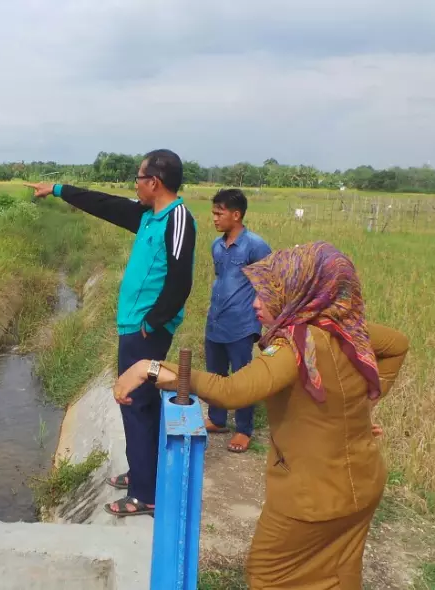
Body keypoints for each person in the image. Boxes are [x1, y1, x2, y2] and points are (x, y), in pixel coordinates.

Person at [112, 241, 409, 586]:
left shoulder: (297, 345)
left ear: (300, 293)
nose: (254, 303)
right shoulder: (343, 329)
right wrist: (361, 404)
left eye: (267, 294)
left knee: (268, 574)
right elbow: (398, 345)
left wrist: (151, 368)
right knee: (338, 573)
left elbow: (232, 391)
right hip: (363, 484)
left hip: (311, 497)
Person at [26, 149, 197, 517]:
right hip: (134, 326)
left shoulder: (177, 218)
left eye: (138, 178)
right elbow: (105, 205)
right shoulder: (150, 216)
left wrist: (153, 323)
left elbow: (181, 282)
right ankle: (142, 473)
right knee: (137, 405)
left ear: (155, 182)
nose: (134, 185)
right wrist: (59, 189)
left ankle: (144, 495)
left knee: (136, 404)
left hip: (146, 330)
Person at [204, 188, 272, 452]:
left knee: (243, 379)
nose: (215, 219)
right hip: (216, 321)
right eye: (213, 213)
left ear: (236, 214)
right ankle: (217, 418)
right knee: (216, 375)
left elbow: (269, 283)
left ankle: (244, 429)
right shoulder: (217, 246)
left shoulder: (255, 245)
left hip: (242, 325)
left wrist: (263, 321)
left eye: (219, 213)